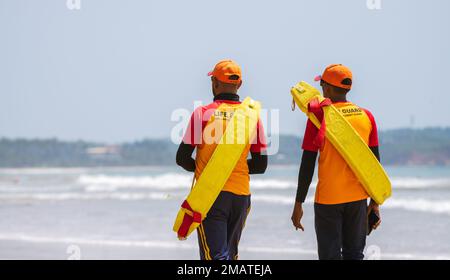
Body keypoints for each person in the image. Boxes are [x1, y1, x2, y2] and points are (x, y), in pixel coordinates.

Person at [176, 59, 268, 260]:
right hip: (241, 196)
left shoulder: (203, 114)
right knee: (230, 256)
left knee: (215, 257)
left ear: (214, 83)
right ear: (239, 85)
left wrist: (209, 171)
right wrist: (232, 168)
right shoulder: (252, 117)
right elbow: (261, 165)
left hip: (211, 196)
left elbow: (182, 158)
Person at [291, 64, 382, 260]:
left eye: (322, 84)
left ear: (329, 88)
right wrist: (374, 203)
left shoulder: (318, 117)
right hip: (357, 200)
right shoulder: (366, 116)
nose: (321, 89)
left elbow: (307, 162)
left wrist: (299, 203)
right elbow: (375, 164)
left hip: (328, 200)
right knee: (354, 255)